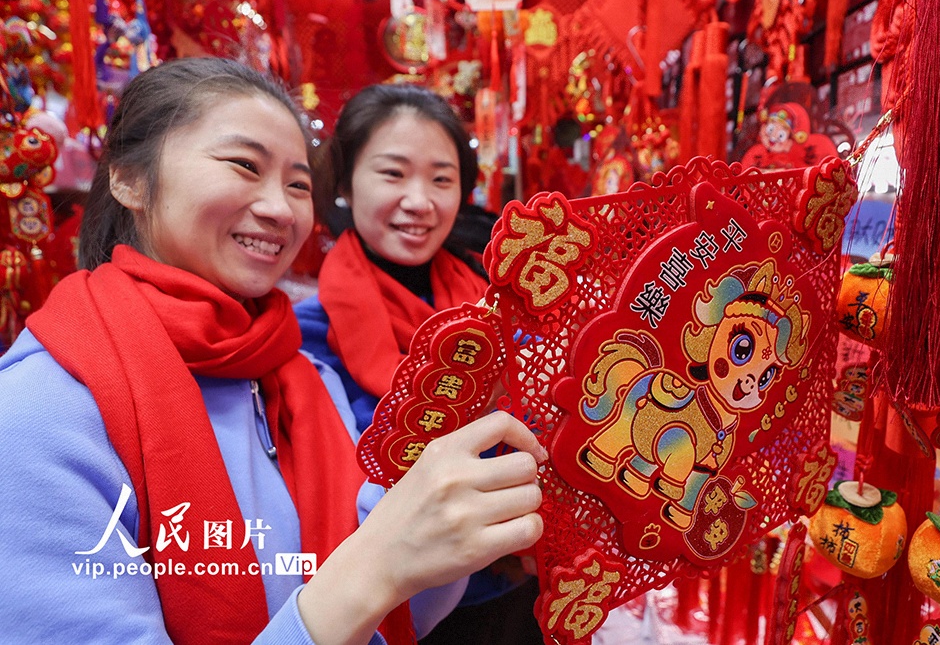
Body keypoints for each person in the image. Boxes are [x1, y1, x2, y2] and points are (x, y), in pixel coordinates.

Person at [0, 58, 546, 644]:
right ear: (130, 179)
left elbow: (400, 610)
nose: (281, 209)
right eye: (244, 165)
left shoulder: (299, 376)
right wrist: (376, 568)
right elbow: (373, 574)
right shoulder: (39, 410)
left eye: (297, 185)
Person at [295, 84, 545, 644]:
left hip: (518, 590)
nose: (419, 201)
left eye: (441, 179)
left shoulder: (499, 304)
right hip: (391, 615)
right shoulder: (306, 340)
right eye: (393, 174)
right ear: (346, 183)